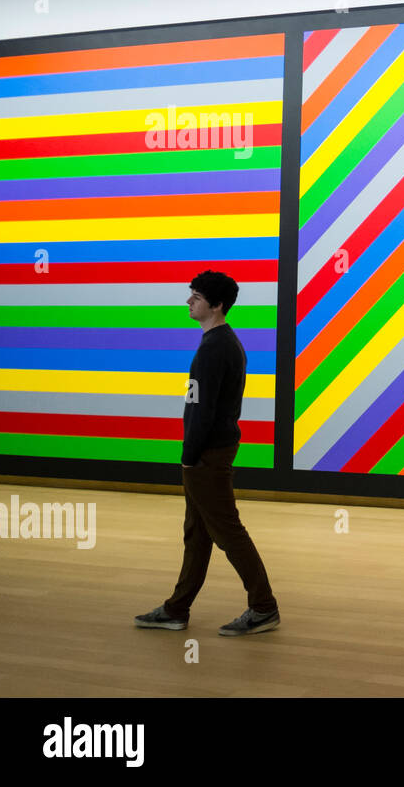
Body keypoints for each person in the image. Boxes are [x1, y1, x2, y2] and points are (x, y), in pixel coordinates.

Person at [134, 270, 282, 635]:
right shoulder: (223, 343)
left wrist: (190, 455)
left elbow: (202, 409)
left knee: (228, 532)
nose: (188, 302)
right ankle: (176, 608)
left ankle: (264, 608)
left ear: (216, 305)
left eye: (196, 297)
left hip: (207, 454)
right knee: (197, 533)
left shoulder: (214, 349)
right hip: (212, 449)